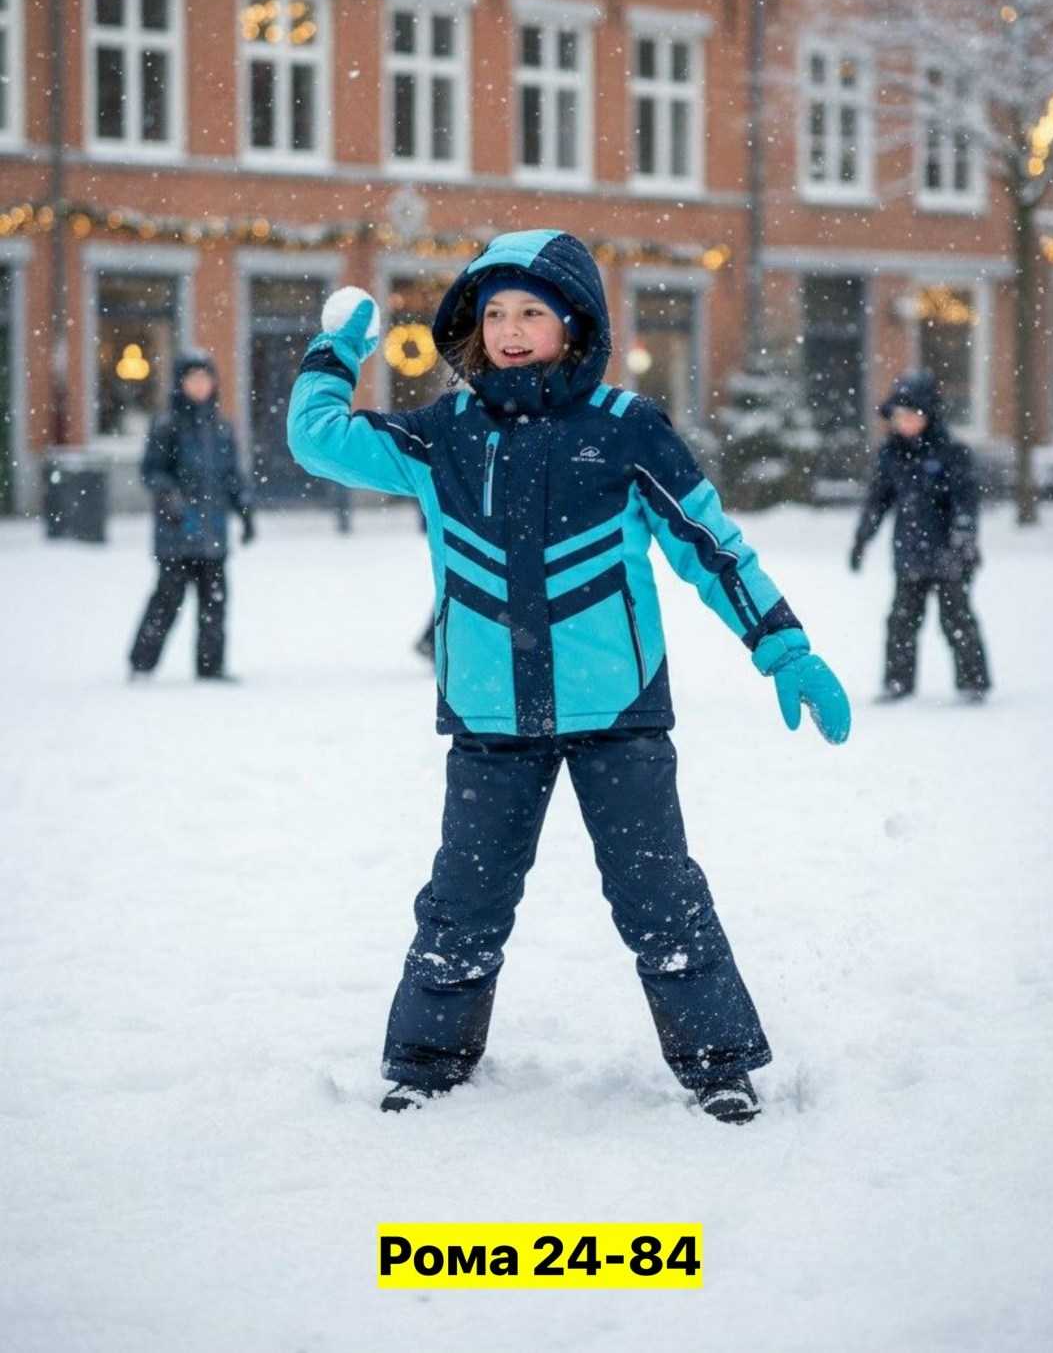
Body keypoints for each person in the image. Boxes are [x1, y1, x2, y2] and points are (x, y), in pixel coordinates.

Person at [287, 230, 850, 1125]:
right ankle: (427, 1064)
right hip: (488, 718)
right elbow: (317, 442)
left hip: (617, 713)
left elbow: (712, 548)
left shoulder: (628, 430)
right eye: (495, 312)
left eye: (532, 312)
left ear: (572, 324)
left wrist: (783, 648)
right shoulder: (444, 436)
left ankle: (718, 1067)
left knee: (660, 895)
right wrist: (336, 349)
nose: (511, 330)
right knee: (462, 904)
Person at [849, 369, 991, 703]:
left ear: (930, 415)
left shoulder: (951, 454)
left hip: (949, 555)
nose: (906, 422)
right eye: (899, 416)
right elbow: (878, 500)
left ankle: (973, 681)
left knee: (956, 618)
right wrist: (861, 538)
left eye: (913, 415)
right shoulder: (892, 455)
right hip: (909, 551)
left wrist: (963, 536)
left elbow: (965, 501)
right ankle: (898, 682)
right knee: (901, 621)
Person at [129, 349, 255, 681]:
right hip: (177, 533)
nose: (200, 386)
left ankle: (211, 667)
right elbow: (152, 471)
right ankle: (142, 663)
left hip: (213, 532)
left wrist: (244, 509)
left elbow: (231, 477)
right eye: (193, 379)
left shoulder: (222, 430)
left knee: (214, 603)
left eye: (205, 379)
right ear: (180, 384)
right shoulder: (167, 426)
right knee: (167, 600)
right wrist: (169, 495)